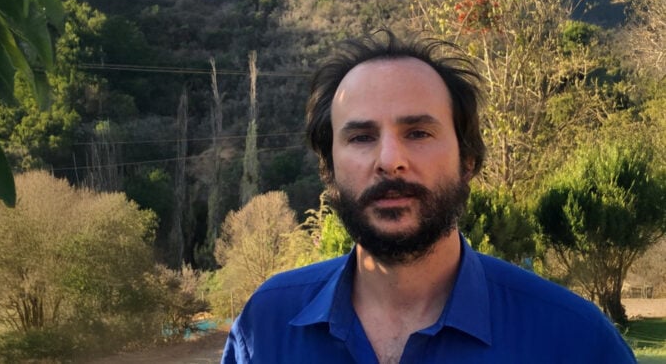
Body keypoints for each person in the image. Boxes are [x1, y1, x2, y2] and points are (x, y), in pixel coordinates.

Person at [221, 30, 636, 363]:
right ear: (329, 168)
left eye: (418, 133)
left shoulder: (574, 340)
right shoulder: (267, 327)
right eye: (361, 137)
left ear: (468, 159)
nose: (389, 161)